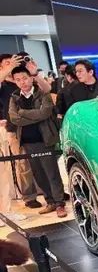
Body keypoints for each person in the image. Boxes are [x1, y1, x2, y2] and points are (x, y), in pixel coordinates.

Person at [8, 66, 67, 217]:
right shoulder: (14, 97)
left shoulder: (43, 94)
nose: (22, 82)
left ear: (31, 78)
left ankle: (60, 204)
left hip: (44, 139)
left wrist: (23, 113)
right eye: (18, 80)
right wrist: (33, 116)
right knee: (38, 174)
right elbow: (14, 119)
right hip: (27, 141)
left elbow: (44, 113)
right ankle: (50, 202)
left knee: (52, 173)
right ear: (14, 82)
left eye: (25, 78)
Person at [0, 53, 52, 209]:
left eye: (15, 61)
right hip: (15, 129)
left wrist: (34, 73)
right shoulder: (4, 85)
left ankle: (52, 193)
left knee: (46, 161)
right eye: (8, 62)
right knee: (24, 164)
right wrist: (8, 69)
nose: (13, 64)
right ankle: (29, 196)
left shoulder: (28, 79)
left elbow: (47, 89)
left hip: (39, 127)